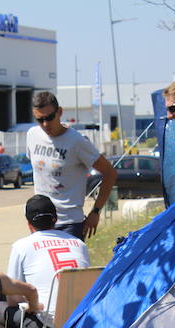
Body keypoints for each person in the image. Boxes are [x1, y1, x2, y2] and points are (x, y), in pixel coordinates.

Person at [27, 91, 116, 241]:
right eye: (40, 120)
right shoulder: (32, 135)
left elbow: (110, 173)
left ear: (59, 112)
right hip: (40, 222)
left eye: (49, 118)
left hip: (69, 224)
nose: (45, 124)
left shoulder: (76, 141)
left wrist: (96, 211)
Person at [4, 195, 91, 328]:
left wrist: (30, 303)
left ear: (28, 223)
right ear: (55, 219)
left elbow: (13, 299)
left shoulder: (21, 246)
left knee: (0, 311)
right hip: (83, 322)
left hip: (49, 327)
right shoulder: (79, 243)